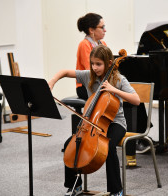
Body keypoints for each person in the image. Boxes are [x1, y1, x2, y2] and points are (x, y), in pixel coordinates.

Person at [48, 45, 140, 196]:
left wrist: (113, 90)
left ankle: (116, 190)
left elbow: (136, 100)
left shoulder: (119, 79)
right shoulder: (88, 76)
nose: (94, 67)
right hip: (92, 122)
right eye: (92, 63)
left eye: (98, 64)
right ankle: (75, 186)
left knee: (109, 147)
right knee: (69, 144)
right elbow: (64, 72)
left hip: (116, 122)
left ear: (109, 63)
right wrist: (52, 82)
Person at [76, 13, 107, 100]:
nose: (105, 30)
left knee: (127, 91)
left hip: (100, 82)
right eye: (102, 27)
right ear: (91, 30)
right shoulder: (84, 44)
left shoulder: (103, 44)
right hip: (85, 86)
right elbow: (91, 70)